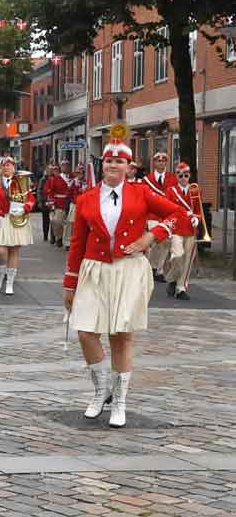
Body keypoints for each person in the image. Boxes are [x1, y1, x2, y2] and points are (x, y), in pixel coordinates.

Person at [63, 135, 187, 428]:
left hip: (129, 269)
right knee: (85, 331)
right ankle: (101, 389)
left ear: (128, 166)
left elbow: (179, 214)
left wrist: (151, 235)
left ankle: (119, 401)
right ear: (102, 163)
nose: (113, 165)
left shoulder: (142, 194)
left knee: (121, 336)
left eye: (119, 161)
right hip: (94, 269)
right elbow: (77, 243)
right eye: (109, 160)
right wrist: (70, 283)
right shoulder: (86, 198)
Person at [0, 157, 35, 295]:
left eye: (9, 165)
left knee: (14, 251)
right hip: (0, 220)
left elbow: (30, 199)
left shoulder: (21, 181)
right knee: (0, 252)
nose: (7, 168)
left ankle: (9, 282)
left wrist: (25, 208)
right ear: (0, 169)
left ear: (13, 168)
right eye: (4, 165)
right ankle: (0, 275)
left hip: (15, 219)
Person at [165, 162, 202, 300]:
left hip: (191, 229)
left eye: (186, 175)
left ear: (189, 175)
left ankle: (181, 288)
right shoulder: (171, 191)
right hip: (176, 228)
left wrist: (197, 218)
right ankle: (172, 279)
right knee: (178, 255)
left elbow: (198, 210)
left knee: (188, 259)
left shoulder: (195, 190)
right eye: (180, 175)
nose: (183, 178)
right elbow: (167, 209)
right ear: (176, 176)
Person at [143, 152, 178, 282]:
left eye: (163, 161)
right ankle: (152, 267)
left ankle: (158, 269)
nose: (161, 163)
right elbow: (143, 200)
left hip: (167, 215)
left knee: (166, 242)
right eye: (158, 161)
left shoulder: (173, 179)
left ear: (166, 163)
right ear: (154, 163)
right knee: (156, 240)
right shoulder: (147, 180)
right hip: (152, 215)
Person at [44, 163, 70, 248]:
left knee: (64, 222)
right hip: (56, 203)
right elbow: (48, 191)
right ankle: (58, 237)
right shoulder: (52, 180)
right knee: (55, 221)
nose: (55, 172)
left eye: (56, 170)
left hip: (66, 202)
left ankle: (62, 238)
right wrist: (51, 201)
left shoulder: (68, 177)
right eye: (54, 170)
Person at [62, 164, 86, 249]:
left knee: (82, 225)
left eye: (80, 173)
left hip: (84, 206)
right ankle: (68, 242)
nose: (79, 174)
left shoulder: (86, 182)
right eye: (77, 173)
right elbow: (69, 194)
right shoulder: (73, 182)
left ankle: (81, 242)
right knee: (71, 224)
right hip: (74, 205)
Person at [37, 164, 52, 242]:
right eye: (49, 170)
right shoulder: (43, 180)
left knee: (53, 220)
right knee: (45, 220)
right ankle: (45, 235)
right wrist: (39, 202)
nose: (50, 171)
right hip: (44, 201)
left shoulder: (54, 178)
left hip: (52, 201)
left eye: (51, 170)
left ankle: (53, 237)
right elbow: (39, 191)